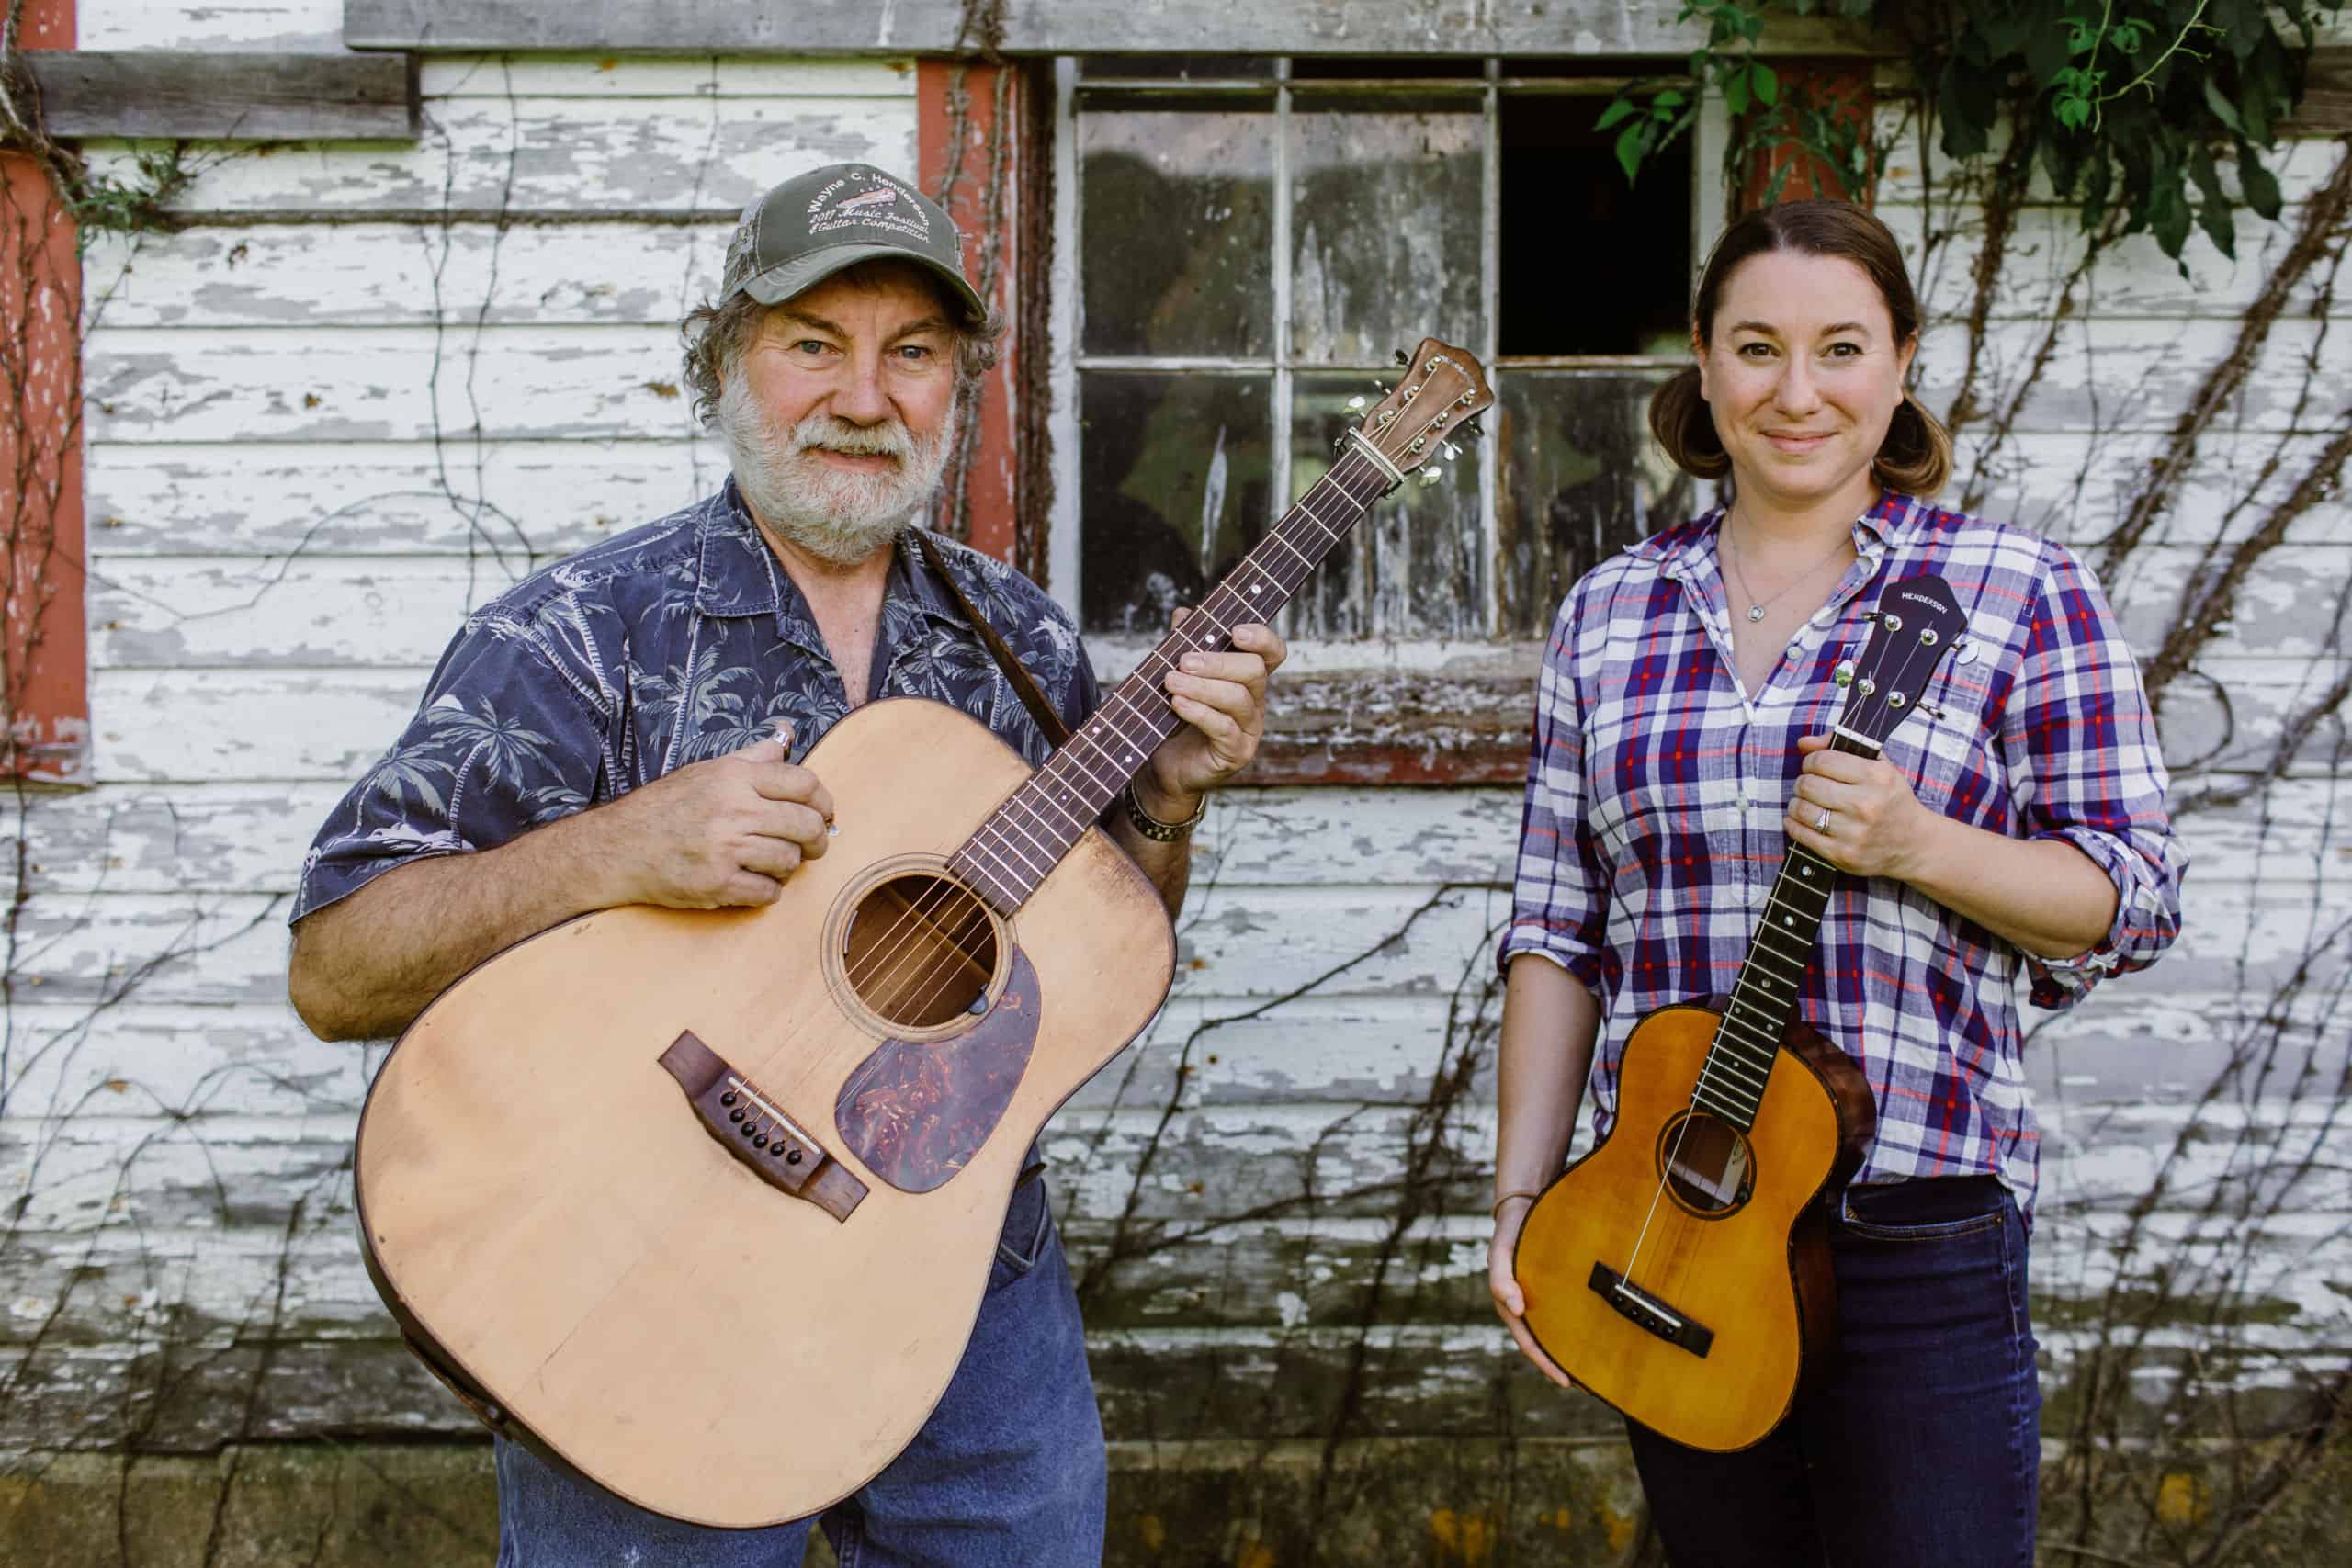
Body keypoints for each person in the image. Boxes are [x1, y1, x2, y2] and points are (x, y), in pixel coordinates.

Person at [287, 162, 1287, 1567]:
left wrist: (1167, 807)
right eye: (813, 344)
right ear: (724, 364)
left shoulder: (1018, 640)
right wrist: (615, 848)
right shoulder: (583, 632)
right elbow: (336, 966)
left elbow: (1080, 964)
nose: (865, 398)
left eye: (914, 354)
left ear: (959, 388)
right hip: (643, 1270)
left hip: (957, 1278)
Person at [1486, 199, 2185, 1567]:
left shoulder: (2016, 590)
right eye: (1756, 348)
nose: (1796, 393)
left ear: (1904, 362)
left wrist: (1921, 843)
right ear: (1701, 361)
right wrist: (1521, 1203)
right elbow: (1556, 930)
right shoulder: (1611, 611)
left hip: (1913, 1230)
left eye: (1841, 349)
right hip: (1668, 1224)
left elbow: (2135, 894)